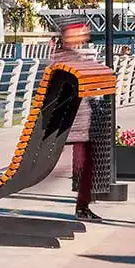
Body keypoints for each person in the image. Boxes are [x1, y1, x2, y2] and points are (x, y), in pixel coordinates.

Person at [54, 21, 102, 221]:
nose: (84, 37)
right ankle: (82, 206)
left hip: (72, 123)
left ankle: (83, 204)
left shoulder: (63, 57)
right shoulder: (68, 59)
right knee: (87, 163)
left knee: (87, 163)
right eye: (80, 34)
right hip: (73, 124)